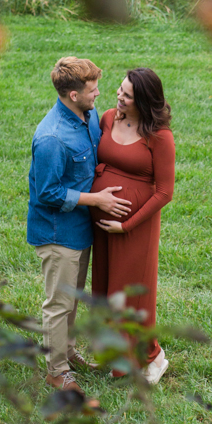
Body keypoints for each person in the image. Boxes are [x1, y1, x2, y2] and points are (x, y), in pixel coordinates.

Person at [27, 57, 132, 394]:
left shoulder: (85, 119)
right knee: (58, 304)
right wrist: (97, 200)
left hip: (79, 229)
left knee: (71, 299)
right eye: (92, 90)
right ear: (73, 95)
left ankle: (68, 354)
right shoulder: (52, 138)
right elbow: (47, 192)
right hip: (58, 233)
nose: (99, 94)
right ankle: (57, 373)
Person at [90, 68, 175, 385]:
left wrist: (127, 225)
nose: (118, 96)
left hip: (136, 226)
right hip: (102, 220)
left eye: (127, 94)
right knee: (104, 289)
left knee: (129, 294)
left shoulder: (160, 137)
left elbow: (165, 191)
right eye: (120, 89)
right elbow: (101, 159)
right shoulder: (109, 118)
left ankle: (153, 356)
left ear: (144, 102)